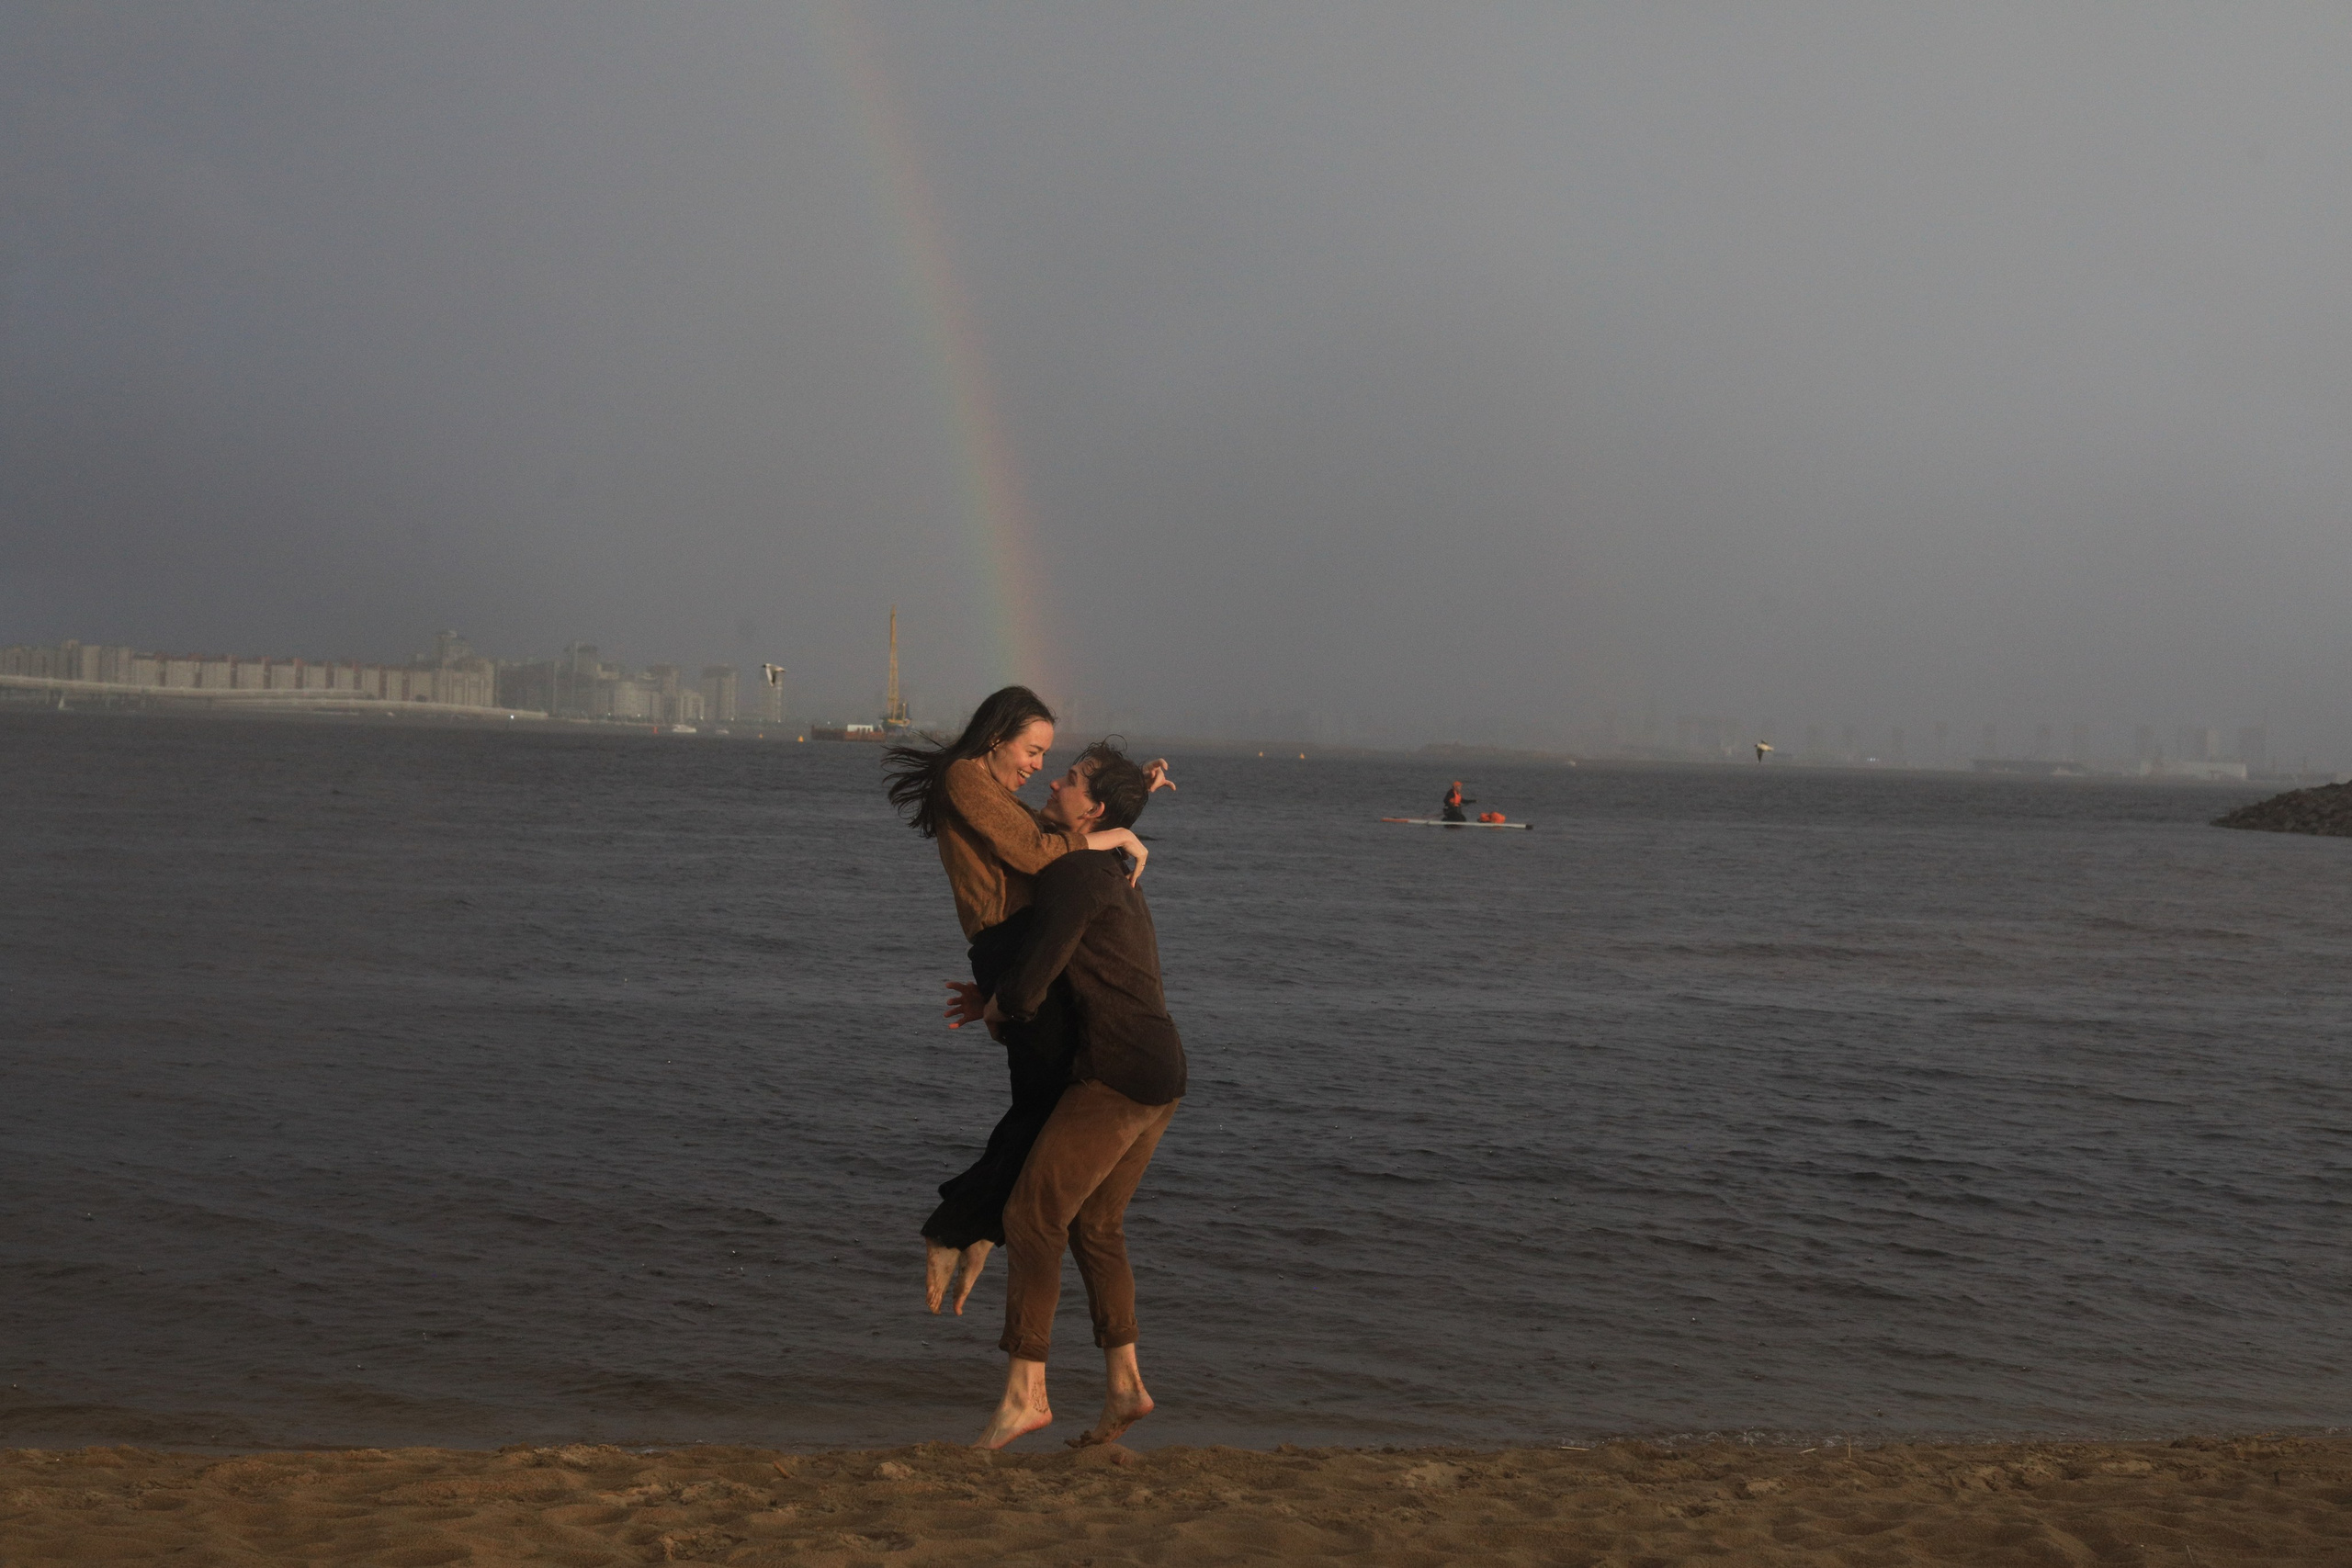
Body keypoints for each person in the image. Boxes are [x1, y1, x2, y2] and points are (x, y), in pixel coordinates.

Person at [882, 688, 1170, 1314]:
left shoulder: (992, 791)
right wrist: (1116, 830)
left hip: (1019, 952)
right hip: (1011, 946)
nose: (1040, 764)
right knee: (1046, 1103)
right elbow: (1034, 852)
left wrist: (1131, 791)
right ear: (997, 736)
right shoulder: (964, 777)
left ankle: (981, 1226)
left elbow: (1057, 825)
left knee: (1052, 1100)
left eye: (1047, 756)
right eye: (1034, 749)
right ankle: (961, 1224)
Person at [943, 742, 1184, 1450]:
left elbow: (1028, 987)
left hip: (1113, 1076)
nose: (1055, 779)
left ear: (1096, 808)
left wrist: (995, 1005)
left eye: (1071, 778)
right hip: (1162, 1071)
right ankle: (1125, 1384)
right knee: (1096, 1225)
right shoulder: (1107, 862)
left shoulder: (1077, 872)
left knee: (1032, 1217)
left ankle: (1026, 1394)